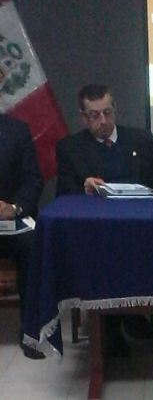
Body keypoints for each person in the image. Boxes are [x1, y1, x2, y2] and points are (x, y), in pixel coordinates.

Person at [56, 84, 153, 357]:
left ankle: (129, 313)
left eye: (107, 113)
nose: (103, 121)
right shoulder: (70, 148)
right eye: (94, 115)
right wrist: (83, 188)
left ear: (115, 110)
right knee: (107, 252)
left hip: (143, 226)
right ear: (83, 118)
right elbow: (63, 197)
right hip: (99, 231)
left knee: (148, 248)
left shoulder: (141, 140)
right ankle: (111, 325)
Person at [0, 113, 44, 359]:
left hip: (9, 219)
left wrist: (14, 208)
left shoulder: (16, 131)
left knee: (31, 242)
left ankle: (31, 332)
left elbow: (32, 180)